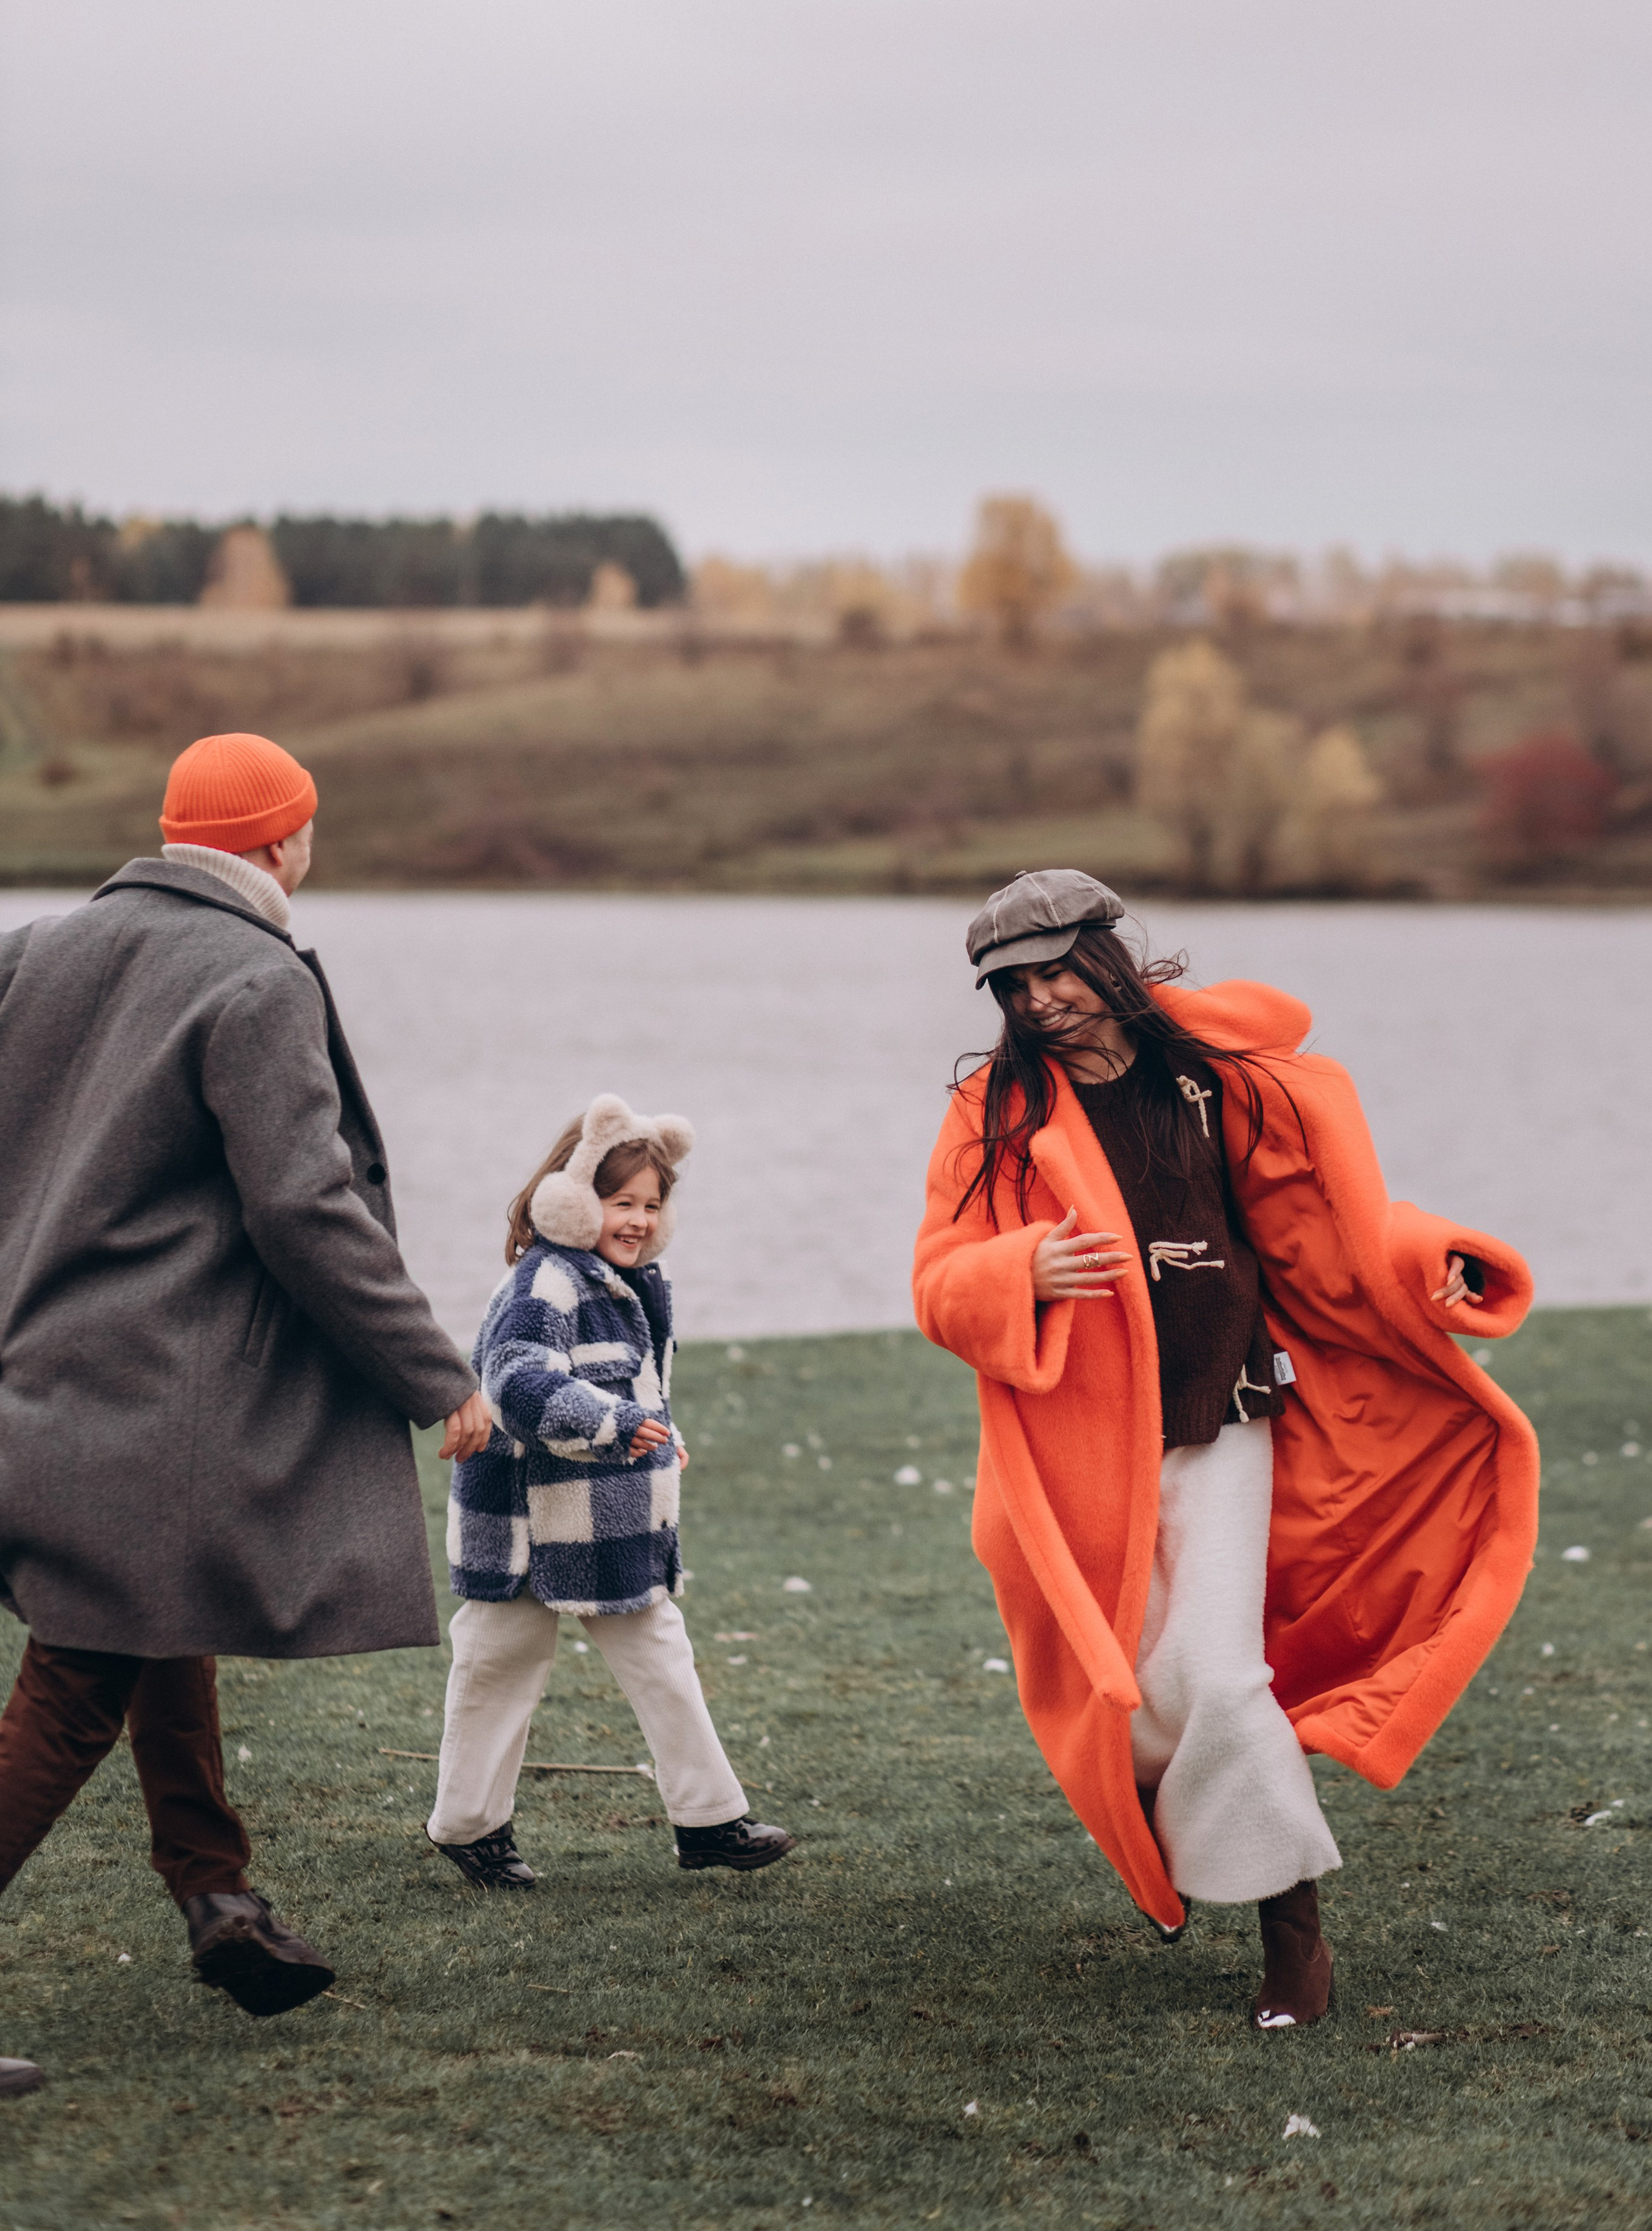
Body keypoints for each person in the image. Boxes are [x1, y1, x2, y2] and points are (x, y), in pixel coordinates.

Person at [912, 869, 1538, 2029]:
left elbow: (1331, 1224)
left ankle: (1294, 1942)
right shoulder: (996, 1114)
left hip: (1233, 1411)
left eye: (1058, 970)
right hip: (1083, 1448)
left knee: (1214, 1671)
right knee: (1133, 1688)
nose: (1043, 999)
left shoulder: (1220, 1079)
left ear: (1106, 954)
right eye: (1015, 984)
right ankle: (1180, 1845)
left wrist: (1434, 1266)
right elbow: (938, 1278)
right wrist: (1018, 1274)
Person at [0, 732, 492, 2090]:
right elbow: (304, 1205)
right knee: (74, 1685)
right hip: (155, 1398)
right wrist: (431, 1372)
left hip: (44, 1379)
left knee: (162, 1611)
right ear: (286, 841)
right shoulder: (251, 972)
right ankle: (217, 1897)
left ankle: (221, 1902)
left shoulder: (36, 948)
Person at [429, 1093, 794, 1884]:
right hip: (527, 1528)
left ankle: (709, 1820)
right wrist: (613, 1422)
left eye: (650, 1205)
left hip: (605, 1524)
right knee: (498, 1663)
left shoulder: (630, 1285)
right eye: (618, 1200)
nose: (636, 1218)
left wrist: (656, 1433)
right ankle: (468, 1826)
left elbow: (636, 1388)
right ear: (569, 1197)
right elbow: (518, 1382)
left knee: (660, 1652)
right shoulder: (545, 1285)